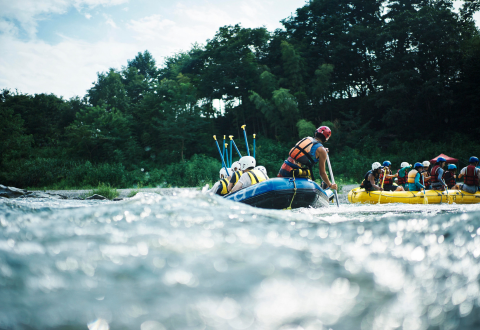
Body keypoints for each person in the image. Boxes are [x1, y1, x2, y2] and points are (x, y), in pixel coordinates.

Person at [277, 126, 338, 191]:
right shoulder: (321, 151)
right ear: (326, 139)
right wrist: (330, 185)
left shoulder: (308, 139)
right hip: (297, 173)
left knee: (279, 188)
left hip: (285, 168)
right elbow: (322, 173)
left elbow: (308, 150)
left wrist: (323, 150)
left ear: (316, 133)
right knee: (319, 183)